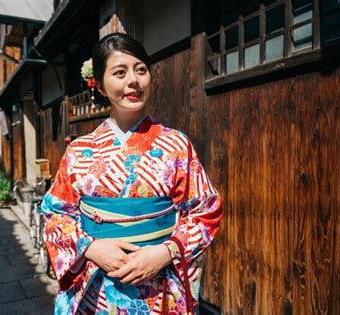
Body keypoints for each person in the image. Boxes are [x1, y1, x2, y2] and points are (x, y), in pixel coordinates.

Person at [41, 33, 223, 315]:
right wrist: (89, 247)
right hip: (96, 287)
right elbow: (56, 214)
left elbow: (205, 209)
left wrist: (165, 252)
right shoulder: (79, 150)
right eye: (119, 72)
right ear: (99, 85)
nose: (133, 80)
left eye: (141, 70)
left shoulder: (176, 145)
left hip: (158, 285)